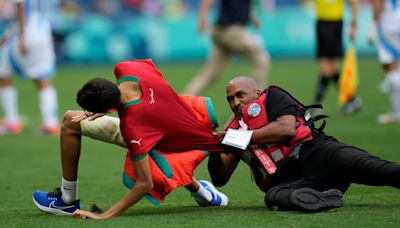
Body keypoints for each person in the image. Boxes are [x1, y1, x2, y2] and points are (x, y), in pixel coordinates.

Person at [32, 59, 228, 219]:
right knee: (71, 120)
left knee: (156, 156)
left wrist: (103, 216)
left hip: (173, 140)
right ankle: (204, 193)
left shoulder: (134, 127)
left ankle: (66, 200)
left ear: (107, 110)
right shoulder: (127, 68)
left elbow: (145, 183)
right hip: (188, 117)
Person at [208, 76, 400, 212]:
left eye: (240, 95)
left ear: (256, 92)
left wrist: (239, 138)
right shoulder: (232, 130)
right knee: (273, 197)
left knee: (377, 169)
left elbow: (286, 129)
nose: (235, 102)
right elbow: (220, 179)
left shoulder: (273, 97)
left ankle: (322, 196)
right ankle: (325, 198)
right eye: (230, 99)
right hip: (293, 182)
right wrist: (214, 149)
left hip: (318, 153)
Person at [183, 0, 270, 95]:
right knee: (261, 60)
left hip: (220, 31)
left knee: (210, 74)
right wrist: (202, 19)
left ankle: (183, 100)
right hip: (233, 31)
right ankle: (258, 102)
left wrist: (252, 17)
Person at [0, 0, 59, 135]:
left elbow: (19, 7)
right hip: (43, 31)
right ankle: (50, 122)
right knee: (42, 77)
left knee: (3, 74)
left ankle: (11, 121)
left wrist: (22, 37)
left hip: (26, 33)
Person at [312, 0, 361, 114]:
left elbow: (354, 3)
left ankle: (316, 104)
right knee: (332, 68)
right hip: (321, 23)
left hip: (335, 23)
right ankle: (351, 99)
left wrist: (354, 25)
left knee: (326, 68)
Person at [371, 0, 400, 124]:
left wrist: (373, 27)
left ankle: (397, 111)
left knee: (389, 65)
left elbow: (378, 3)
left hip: (389, 21)